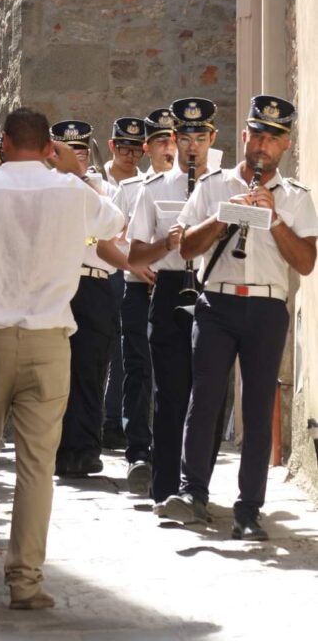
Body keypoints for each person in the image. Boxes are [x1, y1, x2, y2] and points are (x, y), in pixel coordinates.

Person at [0, 107, 124, 610]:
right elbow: (115, 221)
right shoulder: (73, 189)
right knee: (37, 462)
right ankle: (26, 581)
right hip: (48, 342)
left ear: (2, 141)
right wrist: (73, 171)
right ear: (48, 147)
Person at [157, 95, 318, 539]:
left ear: (285, 145)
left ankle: (249, 510)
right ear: (245, 136)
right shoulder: (213, 184)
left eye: (274, 138)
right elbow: (186, 248)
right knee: (204, 399)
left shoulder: (297, 198)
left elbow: (305, 262)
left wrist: (274, 218)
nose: (264, 145)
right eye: (258, 135)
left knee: (258, 404)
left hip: (267, 306)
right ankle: (193, 493)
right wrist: (224, 218)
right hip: (218, 303)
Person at [127, 97, 219, 504]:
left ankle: (197, 487)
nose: (192, 145)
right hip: (167, 289)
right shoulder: (153, 189)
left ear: (212, 138)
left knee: (210, 394)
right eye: (185, 137)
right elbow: (134, 256)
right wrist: (167, 243)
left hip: (209, 289)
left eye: (200, 136)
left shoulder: (222, 186)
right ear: (174, 140)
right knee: (169, 393)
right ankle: (164, 488)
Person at [106, 108, 176, 493]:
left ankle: (172, 451)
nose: (169, 147)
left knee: (175, 370)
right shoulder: (131, 190)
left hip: (177, 286)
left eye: (173, 139)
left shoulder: (194, 186)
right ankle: (138, 451)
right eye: (162, 141)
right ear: (148, 147)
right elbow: (113, 236)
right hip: (138, 286)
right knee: (137, 368)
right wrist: (136, 263)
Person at [51, 119, 123, 478]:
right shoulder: (46, 189)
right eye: (68, 151)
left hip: (93, 284)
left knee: (91, 370)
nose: (76, 158)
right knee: (55, 372)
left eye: (81, 151)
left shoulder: (104, 190)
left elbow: (113, 231)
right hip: (57, 283)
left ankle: (87, 447)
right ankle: (58, 449)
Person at [103, 117, 147, 449]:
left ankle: (118, 420)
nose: (129, 156)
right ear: (111, 146)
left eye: (136, 150)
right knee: (99, 349)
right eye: (123, 148)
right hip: (101, 268)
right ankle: (101, 420)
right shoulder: (95, 180)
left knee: (127, 351)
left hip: (134, 273)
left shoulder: (147, 184)